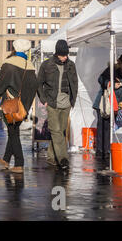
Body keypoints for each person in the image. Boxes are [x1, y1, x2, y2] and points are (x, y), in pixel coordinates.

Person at [0, 39, 38, 173]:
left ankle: (19, 163)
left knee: (13, 133)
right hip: (23, 106)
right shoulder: (30, 66)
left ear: (14, 48)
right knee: (14, 131)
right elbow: (33, 87)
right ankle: (6, 159)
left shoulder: (8, 64)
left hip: (10, 104)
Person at [37, 40, 78, 170]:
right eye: (63, 54)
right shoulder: (46, 65)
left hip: (66, 104)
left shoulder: (71, 65)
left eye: (67, 54)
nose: (66, 57)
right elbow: (38, 84)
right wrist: (44, 100)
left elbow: (75, 83)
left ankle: (51, 157)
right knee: (55, 130)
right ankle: (63, 159)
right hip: (52, 103)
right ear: (57, 53)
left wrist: (73, 100)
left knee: (60, 131)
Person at [93, 52, 122, 161]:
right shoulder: (113, 70)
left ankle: (105, 152)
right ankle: (101, 153)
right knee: (103, 129)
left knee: (107, 129)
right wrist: (110, 83)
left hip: (112, 105)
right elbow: (101, 79)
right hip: (103, 104)